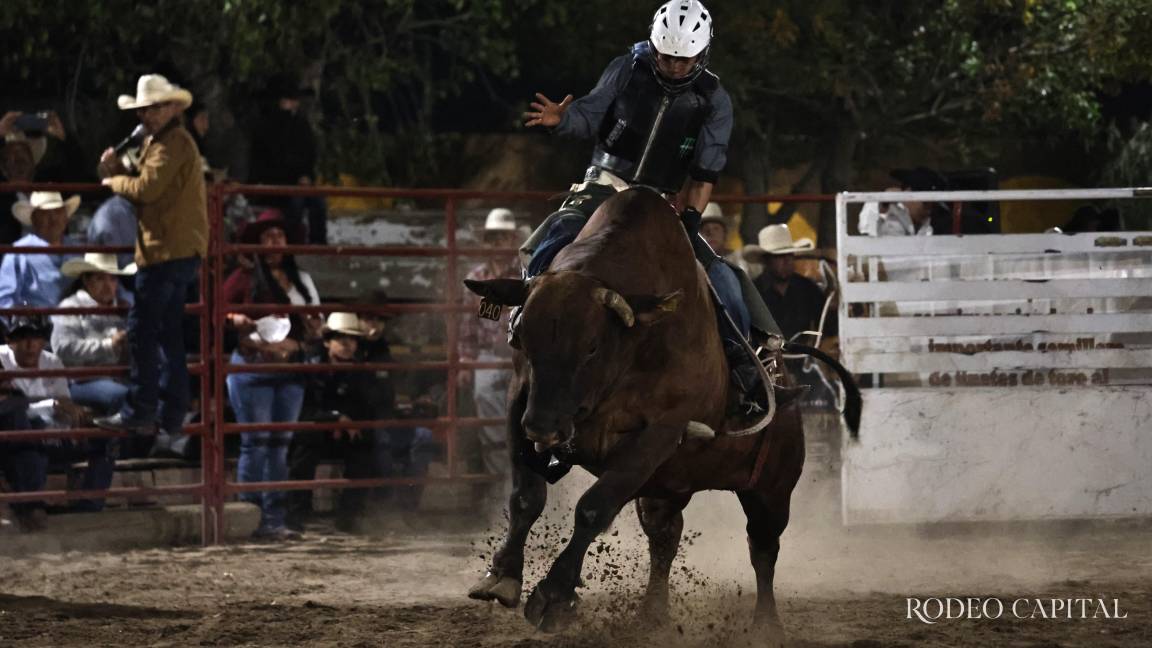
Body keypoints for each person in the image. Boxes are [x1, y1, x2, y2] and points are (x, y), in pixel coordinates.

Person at [519, 0, 781, 408]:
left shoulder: (714, 99)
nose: (673, 66)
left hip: (660, 199)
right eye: (665, 56)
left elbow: (706, 171)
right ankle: (526, 307)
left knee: (718, 271)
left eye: (682, 59)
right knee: (560, 231)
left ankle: (745, 360)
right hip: (605, 182)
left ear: (701, 54)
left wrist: (690, 219)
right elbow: (590, 112)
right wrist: (563, 120)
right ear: (654, 46)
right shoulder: (626, 68)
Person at [93, 74, 208, 439]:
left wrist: (113, 180)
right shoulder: (170, 141)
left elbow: (146, 189)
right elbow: (152, 187)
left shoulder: (170, 143)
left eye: (155, 108)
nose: (148, 115)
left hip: (164, 252)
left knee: (142, 330)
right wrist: (120, 172)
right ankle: (171, 412)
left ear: (172, 108)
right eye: (144, 109)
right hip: (176, 250)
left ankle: (140, 409)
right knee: (167, 333)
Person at [223, 209, 321, 541]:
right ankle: (251, 517)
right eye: (268, 236)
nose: (275, 241)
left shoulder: (301, 280)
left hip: (289, 367)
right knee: (257, 443)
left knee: (278, 445)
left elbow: (316, 322)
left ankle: (272, 519)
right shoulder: (244, 278)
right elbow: (219, 312)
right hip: (255, 367)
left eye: (279, 235)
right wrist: (236, 320)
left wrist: (312, 329)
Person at [286, 312, 413, 532]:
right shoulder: (312, 369)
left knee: (364, 452)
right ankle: (298, 514)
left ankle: (349, 516)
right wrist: (335, 419)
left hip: (348, 431)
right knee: (304, 453)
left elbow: (367, 405)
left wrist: (347, 422)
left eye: (352, 339)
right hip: (318, 430)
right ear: (327, 342)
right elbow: (305, 408)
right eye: (340, 338)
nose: (347, 344)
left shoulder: (360, 371)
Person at [0, 315, 110, 513]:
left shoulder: (52, 361)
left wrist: (77, 417)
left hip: (48, 433)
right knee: (24, 429)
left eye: (36, 337)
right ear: (10, 341)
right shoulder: (1, 359)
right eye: (23, 337)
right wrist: (51, 406)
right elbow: (8, 407)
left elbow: (64, 406)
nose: (30, 344)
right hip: (15, 438)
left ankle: (89, 507)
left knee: (104, 439)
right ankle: (30, 506)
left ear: (43, 341)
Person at [460, 208, 520, 506]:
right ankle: (501, 487)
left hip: (521, 355)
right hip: (488, 355)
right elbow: (467, 325)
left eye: (503, 237)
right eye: (493, 237)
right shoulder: (477, 277)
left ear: (513, 239)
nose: (498, 242)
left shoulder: (526, 273)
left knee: (524, 417)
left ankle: (518, 484)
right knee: (488, 410)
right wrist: (466, 361)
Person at [249, 75, 326, 244]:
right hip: (276, 183)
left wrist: (305, 176)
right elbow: (267, 160)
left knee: (318, 201)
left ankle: (318, 243)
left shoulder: (301, 124)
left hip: (299, 182)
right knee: (295, 204)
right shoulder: (265, 126)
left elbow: (309, 154)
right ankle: (292, 243)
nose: (292, 104)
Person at [743, 224, 836, 343]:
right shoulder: (752, 293)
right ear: (766, 260)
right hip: (763, 354)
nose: (787, 260)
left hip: (802, 353)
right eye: (779, 256)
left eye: (790, 255)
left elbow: (829, 327)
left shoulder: (807, 288)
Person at [0, 192, 81, 311]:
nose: (53, 219)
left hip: (78, 319)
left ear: (65, 217)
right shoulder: (18, 253)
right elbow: (4, 301)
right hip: (37, 320)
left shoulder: (79, 250)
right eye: (45, 213)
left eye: (58, 212)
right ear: (34, 219)